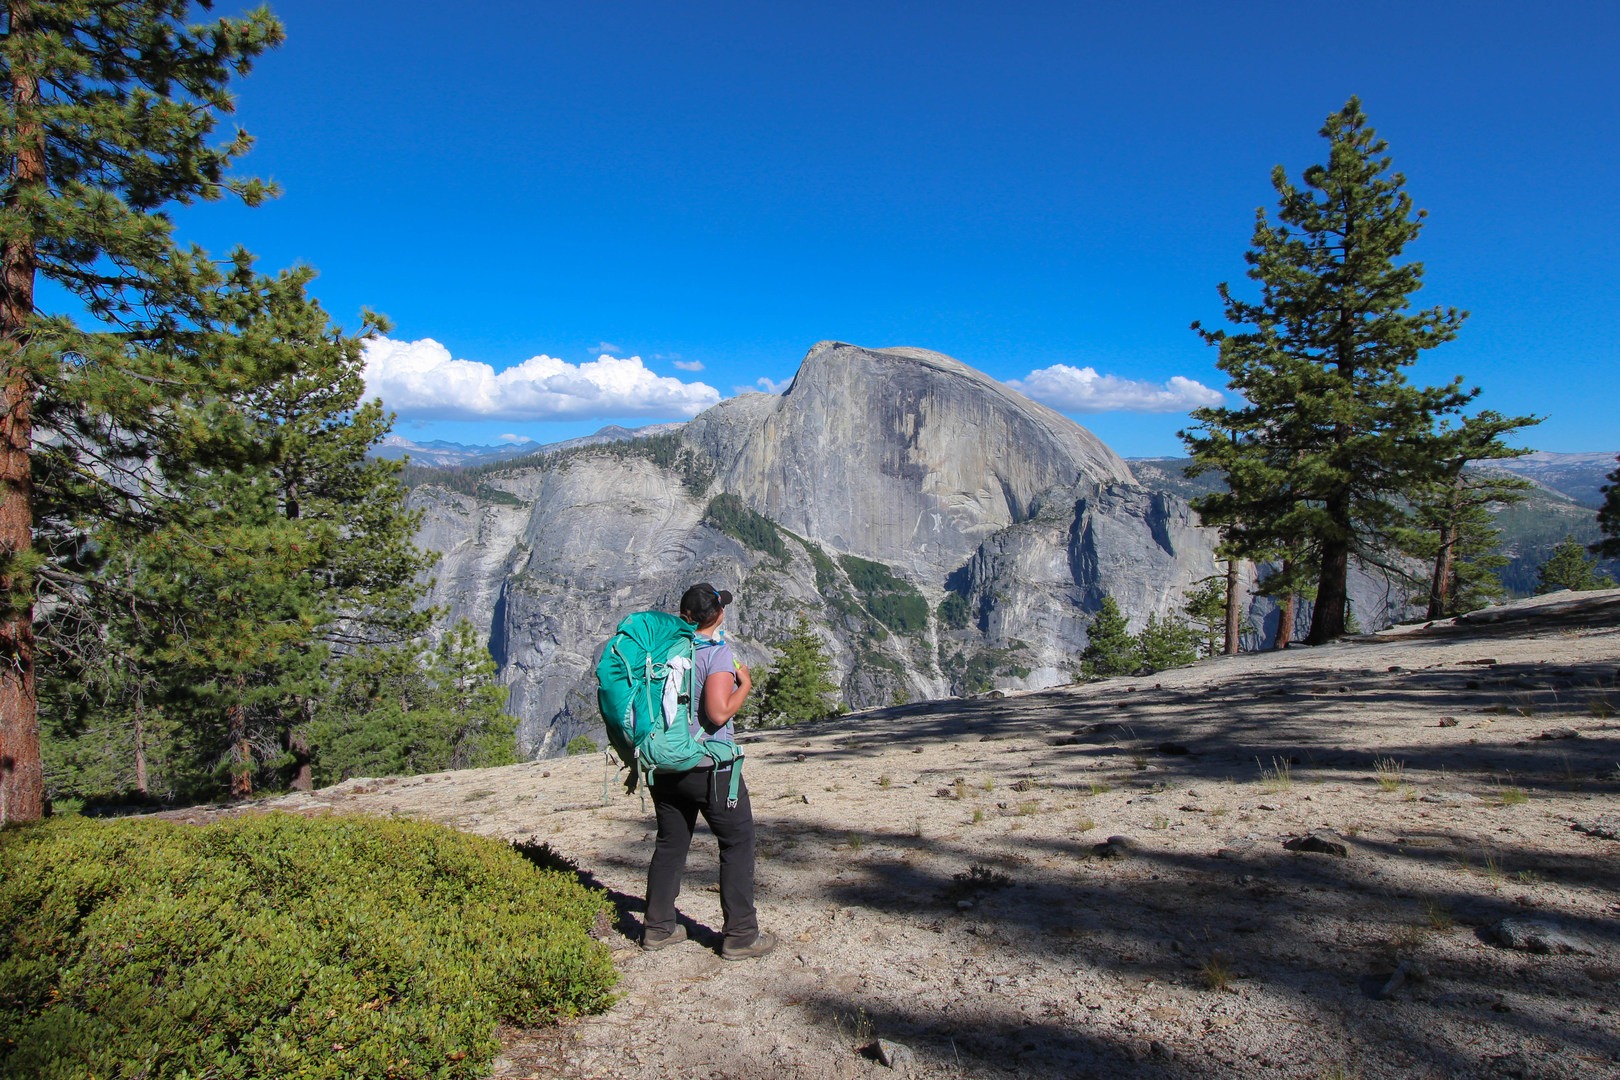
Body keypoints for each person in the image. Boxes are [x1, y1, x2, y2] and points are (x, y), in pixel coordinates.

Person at [641, 583, 775, 960]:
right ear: (716, 615)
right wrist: (744, 685)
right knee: (737, 843)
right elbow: (717, 714)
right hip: (708, 767)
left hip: (667, 765)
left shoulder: (666, 650)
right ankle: (741, 935)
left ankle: (658, 927)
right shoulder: (715, 655)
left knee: (670, 844)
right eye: (723, 608)